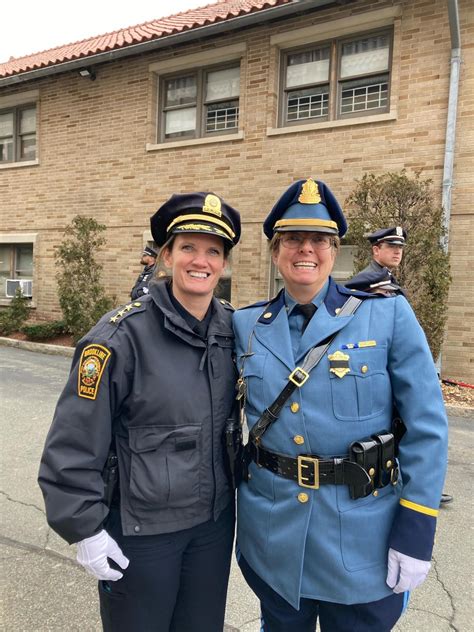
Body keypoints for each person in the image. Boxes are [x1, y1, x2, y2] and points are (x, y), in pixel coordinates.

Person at [233, 178, 448, 632]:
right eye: (292, 239)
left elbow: (426, 427)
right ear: (276, 251)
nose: (304, 249)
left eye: (318, 240)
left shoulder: (387, 314)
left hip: (361, 539)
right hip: (273, 536)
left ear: (334, 252)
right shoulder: (246, 324)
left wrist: (417, 528)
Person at [38, 192, 241, 632]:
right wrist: (85, 526)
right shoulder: (118, 338)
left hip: (212, 526)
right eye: (187, 247)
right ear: (166, 255)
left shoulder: (231, 330)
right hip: (142, 531)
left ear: (224, 264)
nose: (200, 260)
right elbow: (75, 438)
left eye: (213, 251)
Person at [345, 229, 453, 505]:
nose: (397, 252)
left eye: (400, 247)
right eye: (390, 246)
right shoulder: (364, 285)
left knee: (408, 426)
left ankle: (418, 485)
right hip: (374, 366)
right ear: (375, 250)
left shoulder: (389, 282)